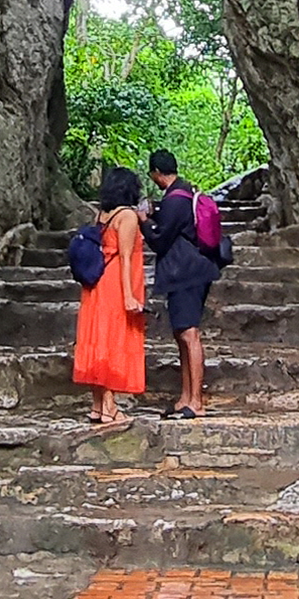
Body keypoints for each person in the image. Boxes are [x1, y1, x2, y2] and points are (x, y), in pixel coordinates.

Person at [72, 161, 147, 428]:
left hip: (96, 286)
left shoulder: (102, 215)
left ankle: (97, 405)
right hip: (115, 285)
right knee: (113, 341)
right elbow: (125, 258)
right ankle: (110, 408)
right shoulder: (126, 216)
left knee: (97, 340)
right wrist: (129, 295)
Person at [145, 148, 219, 419]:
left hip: (186, 272)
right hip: (188, 271)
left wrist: (144, 222)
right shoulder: (184, 193)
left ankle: (195, 401)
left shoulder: (175, 200)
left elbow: (160, 239)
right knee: (181, 334)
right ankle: (186, 397)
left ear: (156, 173)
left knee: (189, 335)